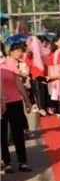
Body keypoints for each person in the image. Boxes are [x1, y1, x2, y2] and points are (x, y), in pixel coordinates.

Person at [1, 42, 33, 173]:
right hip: (0, 104)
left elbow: (18, 82)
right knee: (2, 134)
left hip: (14, 102)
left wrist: (27, 100)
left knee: (18, 132)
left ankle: (22, 162)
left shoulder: (9, 63)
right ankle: (7, 162)